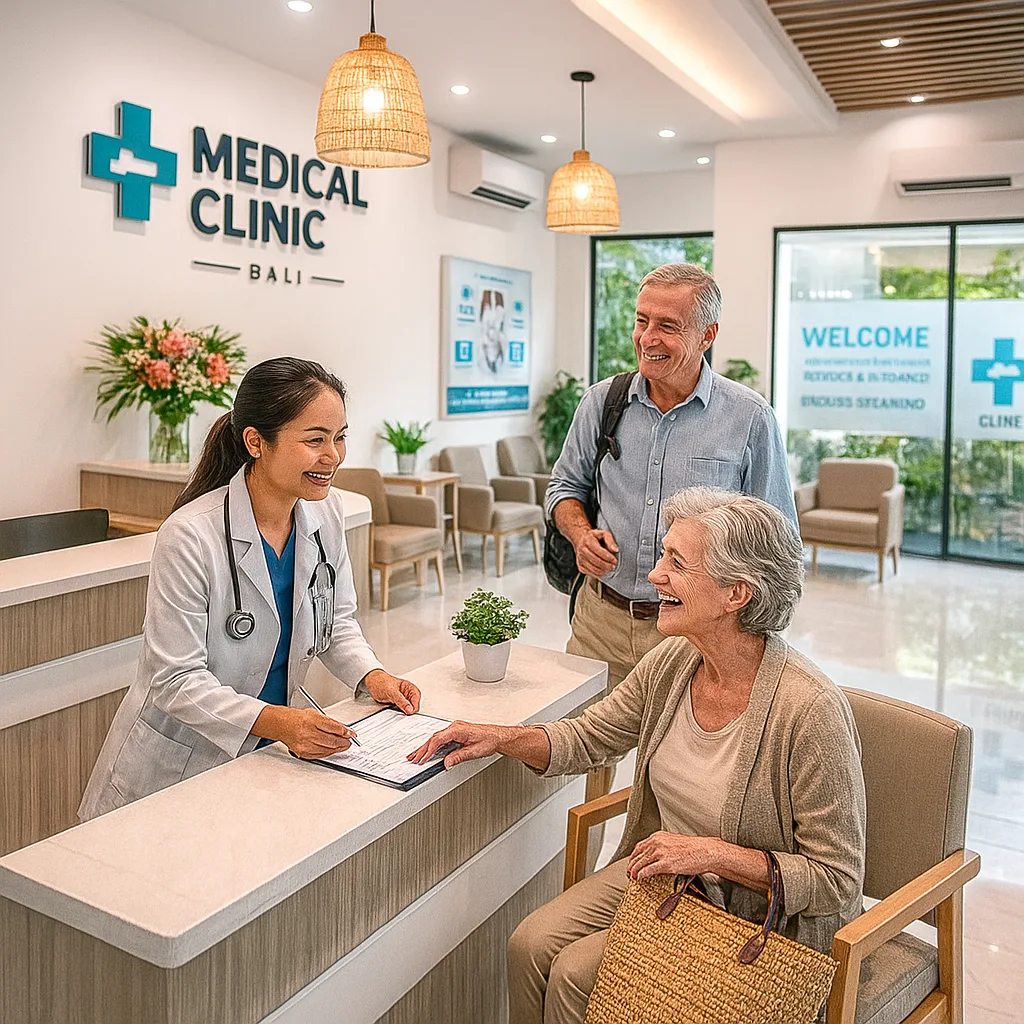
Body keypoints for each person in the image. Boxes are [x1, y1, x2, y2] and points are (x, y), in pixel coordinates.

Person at [410, 487, 866, 1024]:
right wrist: (502, 737)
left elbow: (837, 878)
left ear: (736, 594)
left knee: (578, 976)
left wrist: (711, 854)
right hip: (668, 876)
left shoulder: (809, 710)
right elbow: (590, 737)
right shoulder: (673, 660)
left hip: (753, 914)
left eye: (677, 562)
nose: (653, 576)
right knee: (529, 945)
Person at [80, 358, 420, 820]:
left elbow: (335, 623)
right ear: (256, 442)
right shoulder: (191, 535)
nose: (334, 456)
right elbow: (174, 680)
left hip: (266, 752)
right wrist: (280, 722)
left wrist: (372, 677)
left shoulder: (327, 514)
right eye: (315, 440)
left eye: (339, 437)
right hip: (178, 764)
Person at [545, 261, 798, 809]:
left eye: (668, 326)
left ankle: (660, 889)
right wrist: (581, 530)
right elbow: (562, 488)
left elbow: (779, 544)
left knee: (677, 785)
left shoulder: (748, 418)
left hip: (693, 637)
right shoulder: (601, 403)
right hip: (601, 621)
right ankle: (578, 877)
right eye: (642, 321)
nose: (648, 338)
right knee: (581, 762)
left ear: (707, 335)